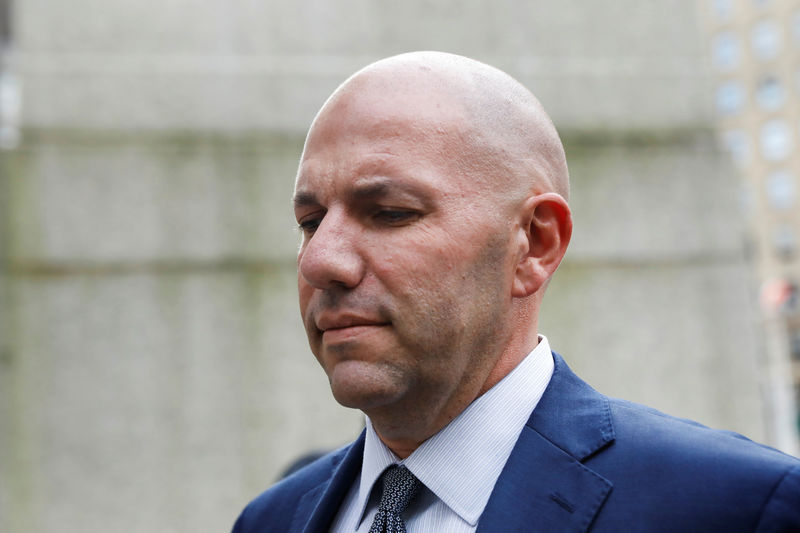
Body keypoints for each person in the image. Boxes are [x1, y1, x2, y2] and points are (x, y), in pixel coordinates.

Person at [233, 52, 800, 532]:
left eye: (388, 213)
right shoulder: (270, 520)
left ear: (533, 244)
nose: (319, 260)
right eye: (310, 222)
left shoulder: (735, 509)